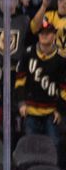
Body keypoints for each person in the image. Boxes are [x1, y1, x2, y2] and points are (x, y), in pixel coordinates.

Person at [15, 19, 66, 150]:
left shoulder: (61, 60)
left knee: (53, 146)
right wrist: (21, 103)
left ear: (54, 35)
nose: (44, 35)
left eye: (48, 33)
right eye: (41, 33)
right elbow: (20, 81)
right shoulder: (27, 53)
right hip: (30, 111)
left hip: (51, 113)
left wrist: (60, 110)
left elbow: (64, 90)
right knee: (30, 147)